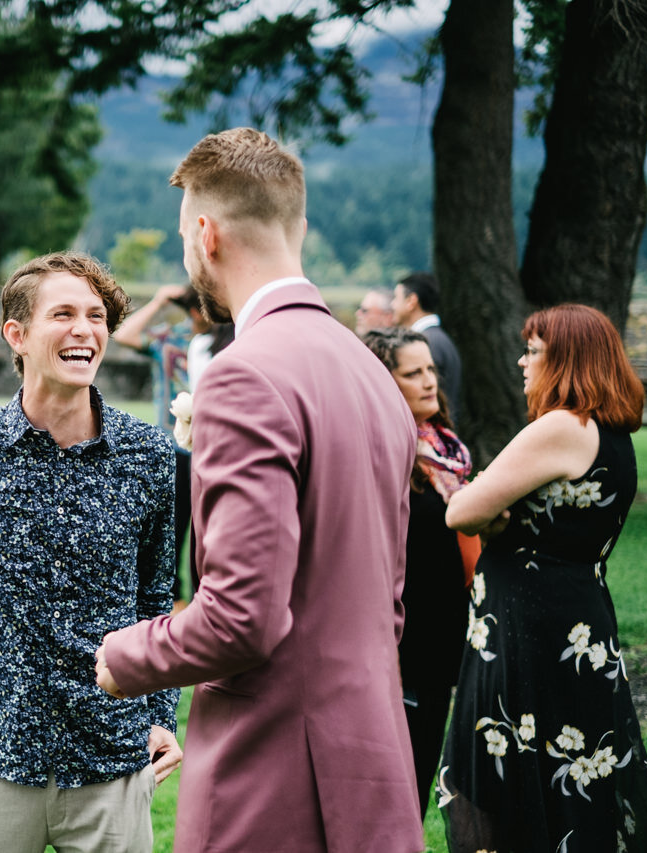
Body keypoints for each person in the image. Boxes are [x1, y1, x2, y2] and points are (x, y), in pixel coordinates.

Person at [94, 128, 424, 852]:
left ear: (205, 235)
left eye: (185, 234)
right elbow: (388, 604)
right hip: (374, 754)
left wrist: (123, 654)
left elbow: (241, 617)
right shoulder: (372, 370)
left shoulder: (244, 374)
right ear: (297, 225)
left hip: (273, 774)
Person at [0, 251, 183, 853]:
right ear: (18, 334)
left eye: (96, 316)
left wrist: (162, 713)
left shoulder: (149, 455)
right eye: (62, 314)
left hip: (111, 753)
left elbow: (155, 595)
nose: (84, 330)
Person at [437, 303, 647, 852]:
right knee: (573, 778)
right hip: (576, 620)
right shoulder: (614, 436)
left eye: (533, 351)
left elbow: (460, 512)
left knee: (521, 776)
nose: (521, 361)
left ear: (567, 359)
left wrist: (483, 496)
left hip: (528, 630)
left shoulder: (560, 426)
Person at [363, 327, 472, 817]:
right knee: (385, 796)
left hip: (442, 644)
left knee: (415, 789)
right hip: (396, 646)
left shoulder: (447, 452)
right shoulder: (379, 455)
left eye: (431, 369)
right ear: (384, 382)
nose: (430, 381)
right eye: (413, 373)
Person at [112, 284, 214, 607]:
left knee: (209, 529)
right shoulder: (172, 339)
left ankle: (204, 599)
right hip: (175, 446)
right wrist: (157, 301)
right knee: (172, 527)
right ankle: (171, 602)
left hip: (213, 448)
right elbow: (124, 335)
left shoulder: (225, 342)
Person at [392, 271, 462, 424]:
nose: (392, 305)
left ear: (411, 301)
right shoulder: (440, 338)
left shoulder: (427, 343)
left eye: (396, 298)